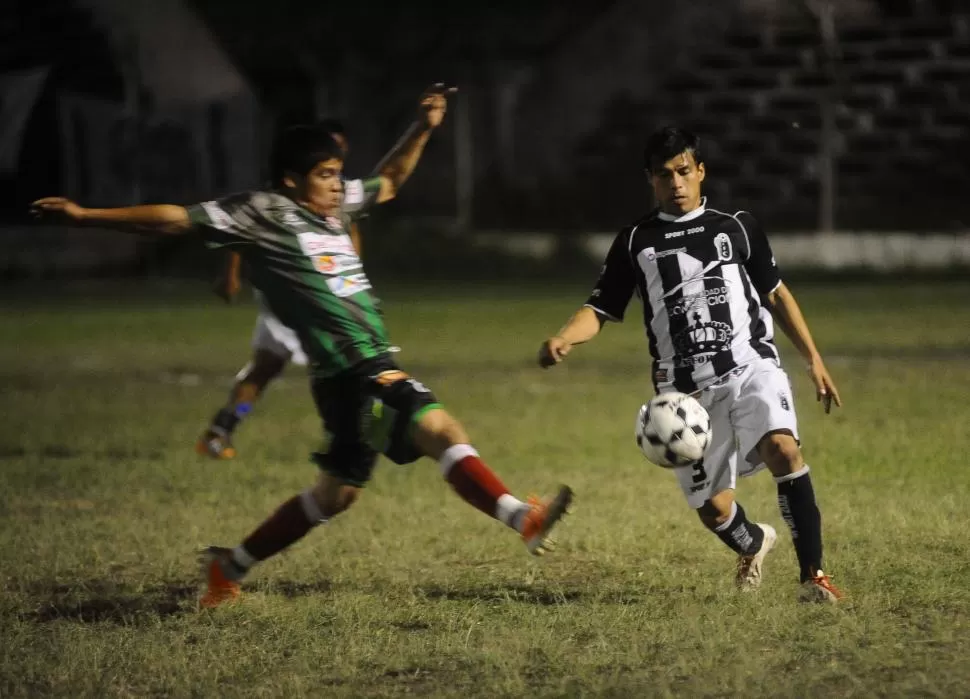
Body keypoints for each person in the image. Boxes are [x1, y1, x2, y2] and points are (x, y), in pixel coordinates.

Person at [33, 84, 573, 609]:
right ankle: (518, 516)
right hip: (353, 369)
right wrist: (87, 216)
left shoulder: (334, 210)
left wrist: (421, 129)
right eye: (325, 175)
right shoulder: (264, 211)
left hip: (345, 377)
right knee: (438, 427)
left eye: (338, 174)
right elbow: (177, 218)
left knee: (335, 495)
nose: (338, 186)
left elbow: (388, 181)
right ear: (292, 181)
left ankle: (231, 566)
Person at [537, 126, 842, 603]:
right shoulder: (635, 241)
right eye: (664, 175)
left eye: (683, 171)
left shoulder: (737, 226)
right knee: (715, 512)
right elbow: (599, 309)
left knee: (783, 448)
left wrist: (813, 359)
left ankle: (814, 577)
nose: (675, 183)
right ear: (650, 180)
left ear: (701, 172)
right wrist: (564, 338)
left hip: (749, 366)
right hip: (685, 399)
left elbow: (777, 294)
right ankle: (755, 542)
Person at [198, 118, 392, 460]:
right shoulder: (287, 196)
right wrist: (230, 273)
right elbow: (241, 231)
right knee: (357, 367)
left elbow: (351, 234)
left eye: (340, 151)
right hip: (297, 289)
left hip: (333, 291)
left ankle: (223, 427)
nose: (336, 159)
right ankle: (358, 440)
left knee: (270, 366)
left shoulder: (338, 192)